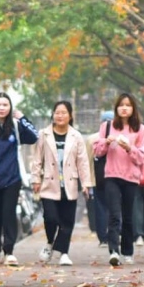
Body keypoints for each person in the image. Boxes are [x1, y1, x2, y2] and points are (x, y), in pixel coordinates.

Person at [0, 93, 39, 266]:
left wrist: (23, 117)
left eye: (5, 104)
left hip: (12, 178)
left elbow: (34, 137)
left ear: (10, 107)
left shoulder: (17, 127)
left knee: (8, 214)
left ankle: (9, 251)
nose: (2, 108)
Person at [28, 100, 92, 266]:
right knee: (51, 217)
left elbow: (83, 161)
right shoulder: (44, 134)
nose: (60, 116)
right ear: (53, 115)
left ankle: (64, 253)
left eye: (64, 113)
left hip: (70, 183)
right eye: (57, 112)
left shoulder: (76, 136)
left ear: (70, 116)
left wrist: (86, 183)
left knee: (67, 220)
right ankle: (50, 243)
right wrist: (35, 179)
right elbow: (37, 159)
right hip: (49, 183)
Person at [95, 93, 144, 266]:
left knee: (128, 216)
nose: (124, 108)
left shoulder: (140, 129)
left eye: (128, 105)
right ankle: (114, 251)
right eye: (121, 105)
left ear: (133, 108)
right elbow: (97, 151)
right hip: (112, 175)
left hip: (131, 178)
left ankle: (128, 251)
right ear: (116, 108)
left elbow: (143, 157)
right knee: (114, 214)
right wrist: (106, 142)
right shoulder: (107, 126)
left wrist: (129, 148)